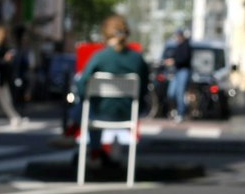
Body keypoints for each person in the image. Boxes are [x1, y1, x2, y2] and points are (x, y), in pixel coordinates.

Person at [74, 15, 151, 164]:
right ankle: (110, 153)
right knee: (91, 108)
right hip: (129, 113)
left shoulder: (100, 57)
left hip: (101, 112)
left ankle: (94, 151)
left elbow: (82, 84)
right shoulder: (137, 58)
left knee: (84, 108)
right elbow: (144, 87)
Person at [163, 29, 194, 122]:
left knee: (180, 92)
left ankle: (181, 113)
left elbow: (184, 59)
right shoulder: (177, 46)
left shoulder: (186, 45)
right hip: (176, 71)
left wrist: (174, 61)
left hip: (183, 71)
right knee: (171, 93)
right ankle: (175, 110)